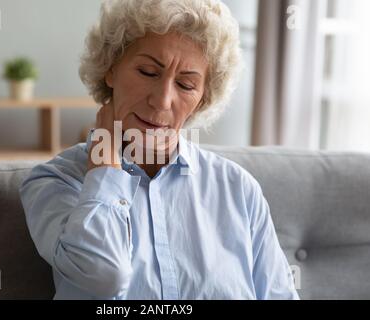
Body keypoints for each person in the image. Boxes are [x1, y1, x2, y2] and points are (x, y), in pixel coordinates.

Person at [19, 0, 299, 300]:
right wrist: (104, 163)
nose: (163, 100)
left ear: (203, 99)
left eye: (186, 85)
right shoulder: (55, 181)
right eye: (148, 72)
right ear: (111, 69)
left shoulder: (239, 190)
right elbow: (100, 276)